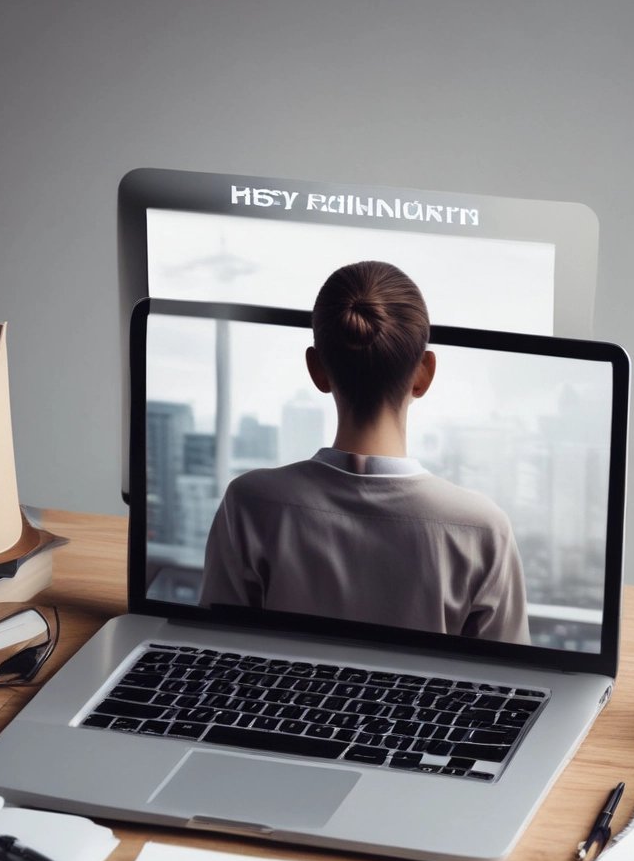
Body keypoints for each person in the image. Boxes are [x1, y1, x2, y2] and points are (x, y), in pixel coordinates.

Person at [200, 260, 530, 644]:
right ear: (424, 373)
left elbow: (214, 653)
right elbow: (508, 684)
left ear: (317, 370)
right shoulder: (482, 529)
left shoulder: (250, 503)